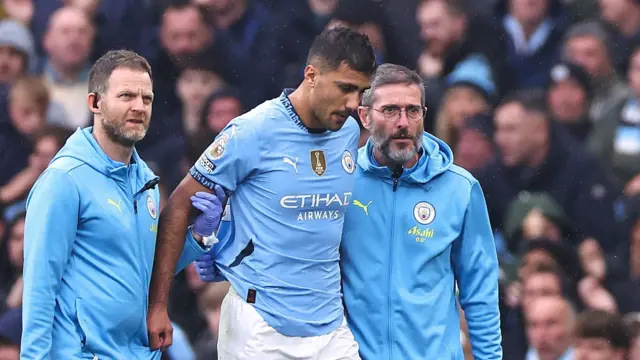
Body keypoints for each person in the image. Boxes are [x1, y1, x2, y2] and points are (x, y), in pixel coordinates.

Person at [147, 26, 377, 359]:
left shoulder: (350, 133)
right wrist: (158, 304)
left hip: (330, 327)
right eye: (345, 88)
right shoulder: (253, 131)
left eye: (361, 92)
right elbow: (180, 205)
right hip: (260, 326)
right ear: (311, 75)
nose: (353, 103)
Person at [20, 50, 225, 359]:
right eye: (127, 96)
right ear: (94, 103)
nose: (138, 107)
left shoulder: (147, 181)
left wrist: (197, 238)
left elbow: (144, 270)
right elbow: (39, 286)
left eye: (147, 98)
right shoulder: (64, 180)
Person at [340, 63, 502, 359]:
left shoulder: (461, 189)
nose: (403, 122)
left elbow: (481, 293)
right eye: (389, 110)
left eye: (413, 110)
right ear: (364, 116)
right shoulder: (341, 182)